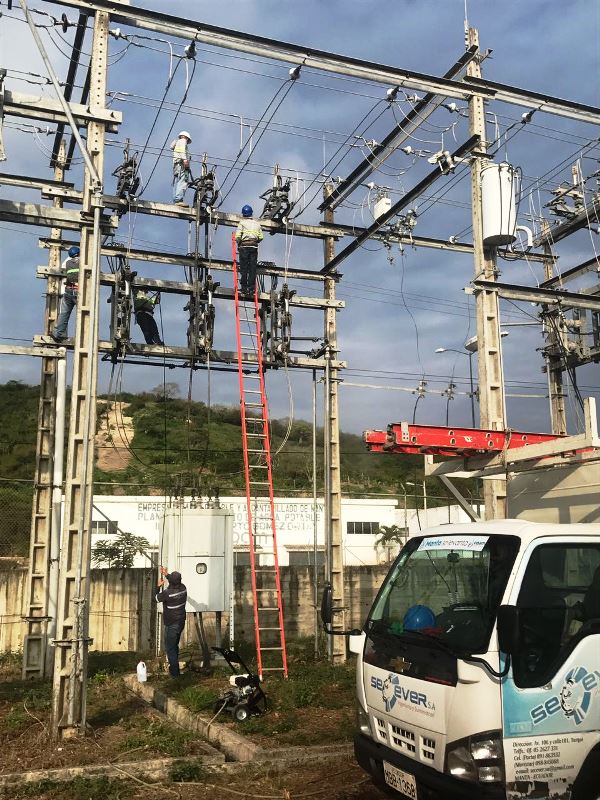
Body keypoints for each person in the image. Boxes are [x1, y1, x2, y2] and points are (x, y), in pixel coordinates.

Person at [155, 567, 187, 677]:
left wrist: (158, 586)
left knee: (171, 649)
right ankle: (175, 671)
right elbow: (175, 582)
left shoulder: (167, 593)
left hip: (172, 625)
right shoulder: (183, 588)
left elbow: (156, 599)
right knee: (174, 646)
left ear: (172, 582)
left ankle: (175, 675)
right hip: (181, 622)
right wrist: (167, 575)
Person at [51, 246, 80, 342]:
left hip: (68, 291)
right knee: (84, 314)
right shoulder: (83, 262)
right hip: (79, 291)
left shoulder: (67, 263)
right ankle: (84, 336)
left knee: (64, 313)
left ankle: (58, 333)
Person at [235, 204, 264, 296]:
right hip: (254, 247)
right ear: (251, 213)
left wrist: (239, 244)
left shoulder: (242, 223)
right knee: (252, 268)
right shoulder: (257, 224)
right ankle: (251, 289)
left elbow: (238, 237)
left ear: (243, 214)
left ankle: (244, 288)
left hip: (244, 247)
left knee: (244, 268)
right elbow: (261, 237)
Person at [170, 130, 192, 205]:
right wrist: (185, 160)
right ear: (186, 137)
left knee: (178, 181)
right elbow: (182, 151)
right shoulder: (183, 141)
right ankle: (178, 200)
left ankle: (176, 199)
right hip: (181, 164)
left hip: (176, 165)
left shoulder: (177, 143)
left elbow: (172, 147)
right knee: (182, 181)